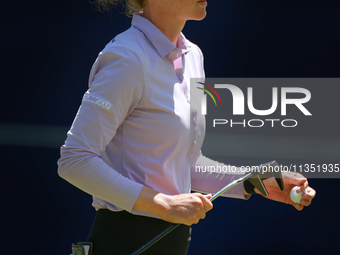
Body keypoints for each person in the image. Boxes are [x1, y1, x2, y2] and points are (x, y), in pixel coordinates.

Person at [57, 1, 316, 254]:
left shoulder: (193, 55)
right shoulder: (126, 56)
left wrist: (252, 181)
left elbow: (186, 165)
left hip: (173, 243)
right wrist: (161, 203)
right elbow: (75, 160)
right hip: (123, 241)